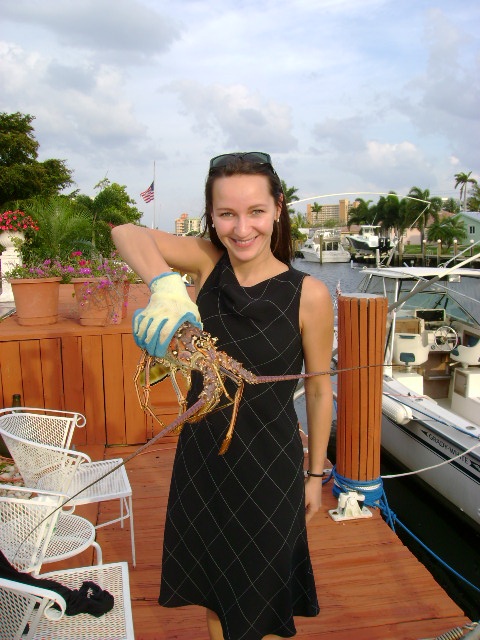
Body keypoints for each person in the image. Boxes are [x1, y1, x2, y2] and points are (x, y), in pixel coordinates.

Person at [112, 151, 334, 640]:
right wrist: (165, 287)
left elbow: (319, 391)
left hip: (270, 466)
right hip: (204, 461)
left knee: (266, 600)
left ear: (278, 208)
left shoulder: (309, 293)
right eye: (226, 213)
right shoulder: (207, 265)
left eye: (255, 211)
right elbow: (125, 232)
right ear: (211, 216)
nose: (241, 228)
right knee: (217, 595)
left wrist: (315, 476)